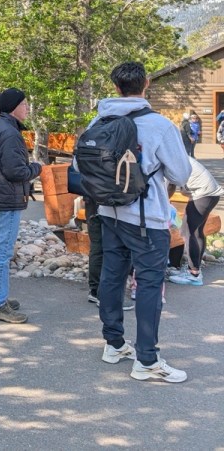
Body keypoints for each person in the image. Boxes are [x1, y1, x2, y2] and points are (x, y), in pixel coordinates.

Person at [93, 61, 191, 383]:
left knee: (111, 276)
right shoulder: (160, 125)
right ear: (146, 84)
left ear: (116, 87)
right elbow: (181, 174)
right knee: (149, 283)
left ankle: (114, 345)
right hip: (146, 218)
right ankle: (147, 360)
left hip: (109, 212)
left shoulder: (100, 118)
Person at [0, 88, 43, 324]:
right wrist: (37, 168)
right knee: (2, 250)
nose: (27, 108)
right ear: (14, 107)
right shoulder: (10, 133)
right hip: (7, 197)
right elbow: (16, 171)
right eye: (25, 104)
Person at [166, 156, 222, 286]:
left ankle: (193, 274)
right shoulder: (176, 155)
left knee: (187, 231)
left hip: (203, 194)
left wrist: (164, 203)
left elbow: (169, 187)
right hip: (209, 194)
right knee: (196, 231)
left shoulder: (171, 160)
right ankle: (193, 270)